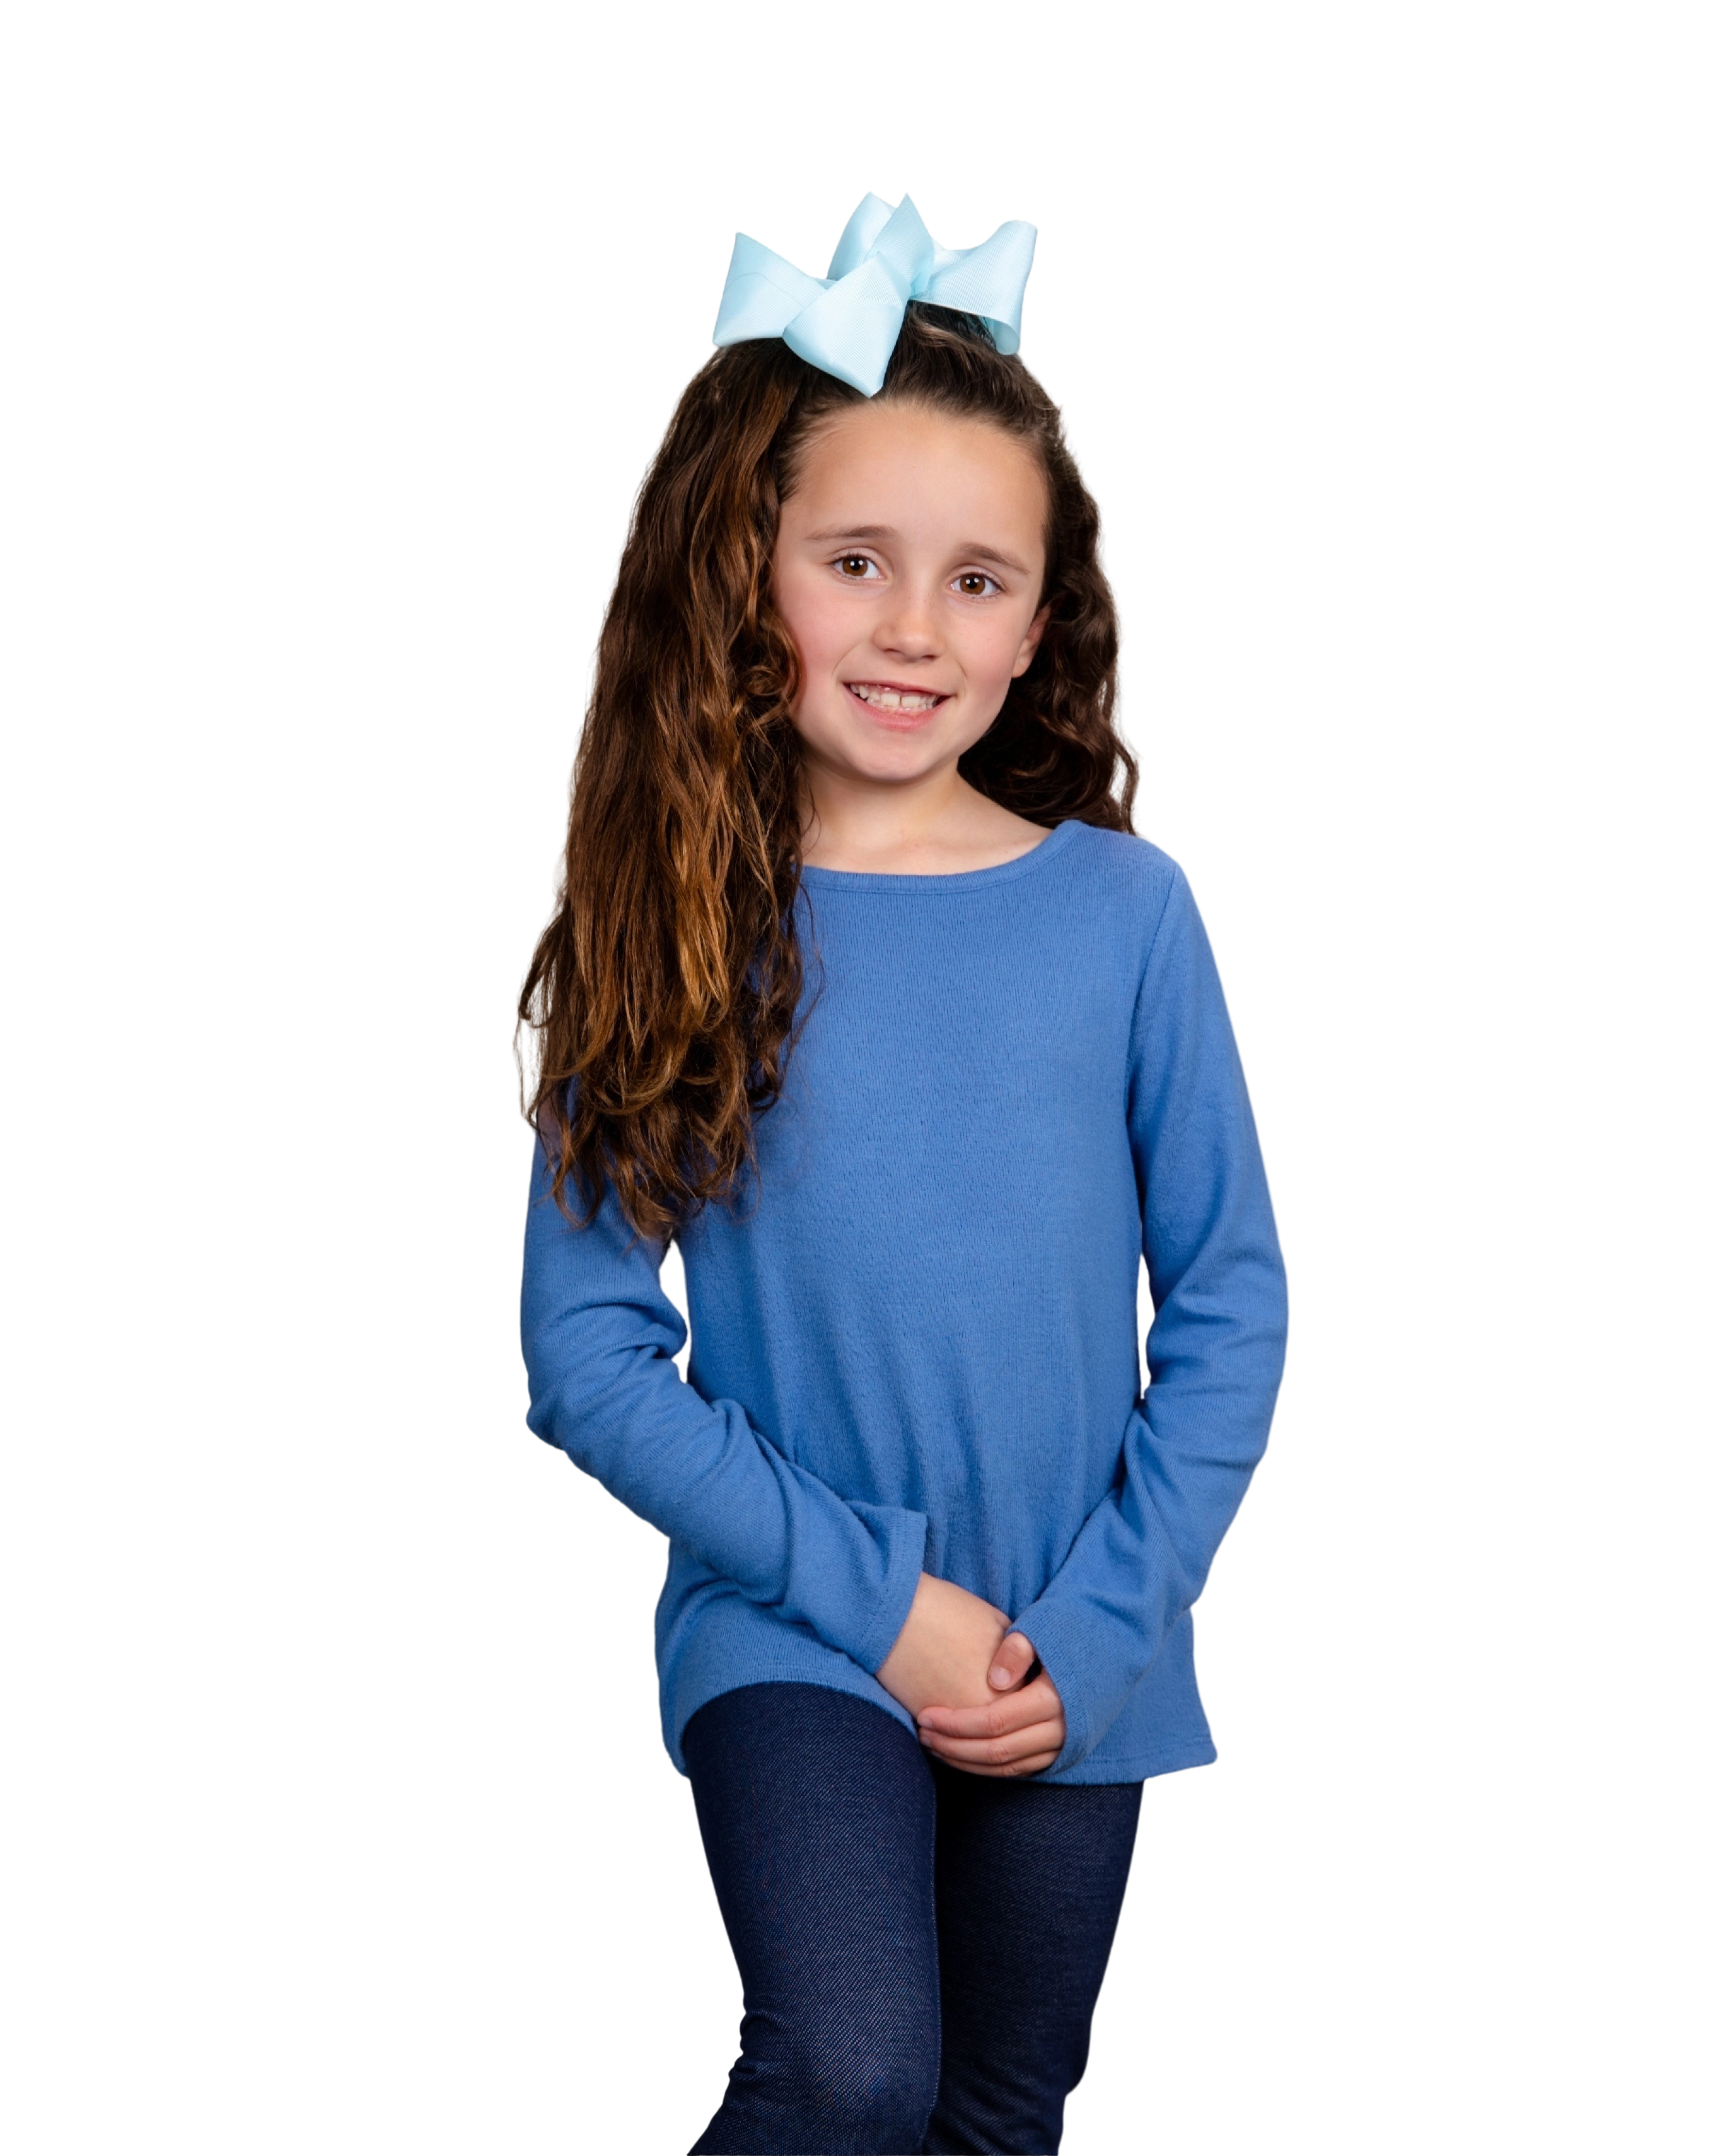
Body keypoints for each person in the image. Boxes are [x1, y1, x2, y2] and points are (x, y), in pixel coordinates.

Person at [513, 189, 1291, 2156]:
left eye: (978, 578)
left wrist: (1096, 1630)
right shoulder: (671, 917)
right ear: (744, 568)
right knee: (849, 2066)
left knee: (996, 2115)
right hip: (796, 1619)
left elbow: (1228, 1298)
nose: (914, 628)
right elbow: (586, 1351)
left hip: (1078, 1632)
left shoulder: (1126, 912)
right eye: (855, 560)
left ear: (1041, 622)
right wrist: (883, 1605)